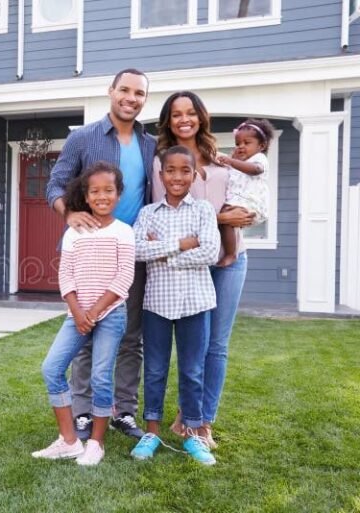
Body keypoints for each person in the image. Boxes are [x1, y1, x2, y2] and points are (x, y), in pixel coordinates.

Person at [45, 68, 156, 440]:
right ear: (110, 91)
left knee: (129, 336)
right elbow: (56, 184)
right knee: (85, 332)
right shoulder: (83, 138)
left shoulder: (149, 144)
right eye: (124, 89)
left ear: (144, 99)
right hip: (89, 251)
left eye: (139, 93)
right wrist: (69, 212)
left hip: (130, 253)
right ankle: (82, 411)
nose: (131, 98)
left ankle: (123, 411)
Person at [152, 91, 255, 448]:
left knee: (217, 345)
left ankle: (202, 420)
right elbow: (164, 218)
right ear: (168, 120)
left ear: (201, 116)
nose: (184, 119)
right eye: (176, 114)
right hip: (190, 265)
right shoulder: (161, 162)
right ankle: (187, 412)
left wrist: (242, 214)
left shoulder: (223, 158)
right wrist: (221, 216)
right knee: (192, 345)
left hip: (230, 260)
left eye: (191, 112)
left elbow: (245, 202)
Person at [33, 162, 135, 466]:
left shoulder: (124, 232)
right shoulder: (73, 233)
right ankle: (69, 441)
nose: (102, 196)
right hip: (76, 314)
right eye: (95, 191)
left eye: (109, 190)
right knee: (52, 369)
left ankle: (96, 442)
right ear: (86, 196)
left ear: (118, 195)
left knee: (101, 377)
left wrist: (93, 311)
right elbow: (65, 276)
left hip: (111, 314)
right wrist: (78, 313)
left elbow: (123, 278)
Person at [129, 145, 220, 466]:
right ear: (161, 174)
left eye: (185, 171)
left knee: (193, 370)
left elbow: (210, 253)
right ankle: (151, 431)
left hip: (196, 303)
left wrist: (163, 252)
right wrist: (182, 245)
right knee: (154, 370)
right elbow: (138, 251)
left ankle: (193, 432)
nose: (178, 177)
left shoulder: (204, 210)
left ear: (194, 175)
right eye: (171, 170)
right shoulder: (147, 214)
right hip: (157, 303)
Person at [216, 119, 275, 267]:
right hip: (240, 201)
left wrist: (231, 161)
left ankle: (231, 254)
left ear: (261, 146)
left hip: (251, 203)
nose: (241, 147)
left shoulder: (259, 159)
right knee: (227, 218)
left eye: (246, 143)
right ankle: (230, 251)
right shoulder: (240, 163)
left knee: (226, 216)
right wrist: (233, 161)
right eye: (238, 144)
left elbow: (255, 170)